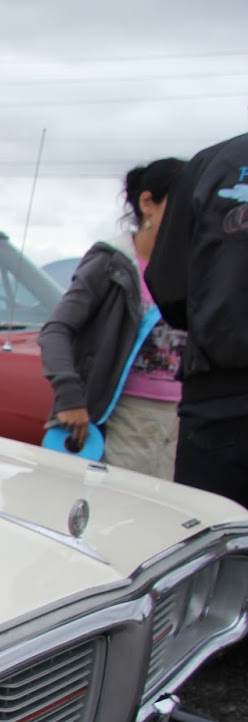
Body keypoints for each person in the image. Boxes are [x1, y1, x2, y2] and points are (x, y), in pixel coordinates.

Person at [39, 159, 186, 478]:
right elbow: (56, 330)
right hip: (121, 419)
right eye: (184, 204)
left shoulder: (192, 268)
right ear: (148, 203)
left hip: (179, 422)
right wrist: (69, 397)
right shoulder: (111, 264)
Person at [145, 132, 248, 508]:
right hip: (218, 397)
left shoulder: (213, 162)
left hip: (219, 402)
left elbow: (168, 285)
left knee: (210, 551)